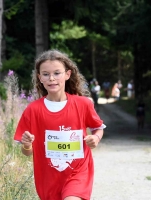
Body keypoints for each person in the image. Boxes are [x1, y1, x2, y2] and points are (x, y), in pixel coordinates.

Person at [14, 49, 105, 200]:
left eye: (57, 73)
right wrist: (27, 144)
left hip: (78, 173)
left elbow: (98, 128)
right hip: (48, 179)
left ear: (67, 75)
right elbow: (27, 152)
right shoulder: (33, 110)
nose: (51, 78)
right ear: (39, 77)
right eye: (45, 74)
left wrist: (96, 138)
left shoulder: (82, 104)